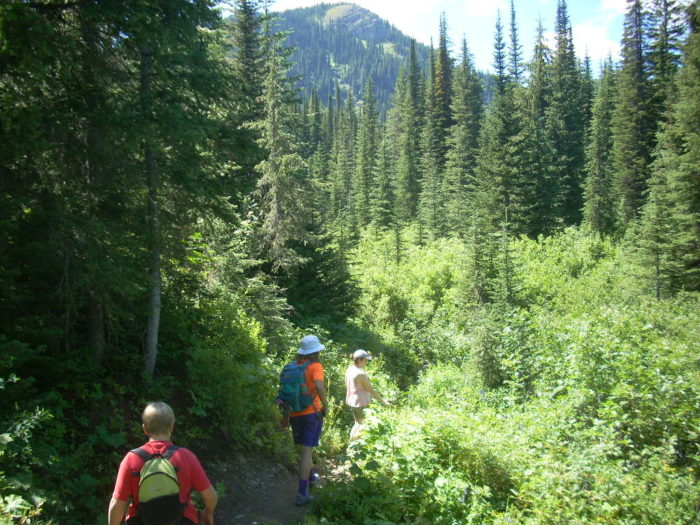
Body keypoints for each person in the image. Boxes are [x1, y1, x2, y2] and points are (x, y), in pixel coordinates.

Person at [108, 401, 217, 525]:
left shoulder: (131, 459)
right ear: (171, 427)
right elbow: (211, 496)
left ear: (144, 429)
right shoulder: (186, 457)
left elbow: (117, 504)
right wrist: (207, 512)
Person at [279, 334, 328, 506]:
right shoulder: (316, 366)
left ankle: (312, 477)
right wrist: (326, 405)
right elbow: (319, 386)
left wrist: (284, 417)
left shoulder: (291, 367)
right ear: (316, 351)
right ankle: (302, 493)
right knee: (307, 451)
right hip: (311, 413)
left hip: (294, 414)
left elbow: (285, 396)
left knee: (306, 448)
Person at [345, 349, 389, 441]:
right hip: (360, 402)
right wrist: (383, 401)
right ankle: (355, 448)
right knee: (361, 425)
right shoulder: (360, 374)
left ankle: (350, 444)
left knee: (357, 423)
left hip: (351, 400)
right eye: (365, 360)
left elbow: (346, 383)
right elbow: (370, 390)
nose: (366, 363)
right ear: (359, 360)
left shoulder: (350, 369)